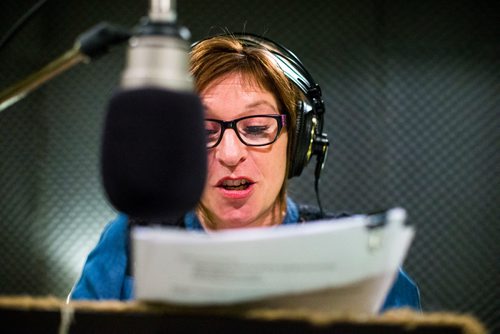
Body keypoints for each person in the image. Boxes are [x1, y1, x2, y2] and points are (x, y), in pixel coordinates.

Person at [70, 33, 421, 311]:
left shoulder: (362, 257)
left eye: (255, 128)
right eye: (204, 131)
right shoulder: (129, 242)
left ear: (299, 142)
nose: (230, 153)